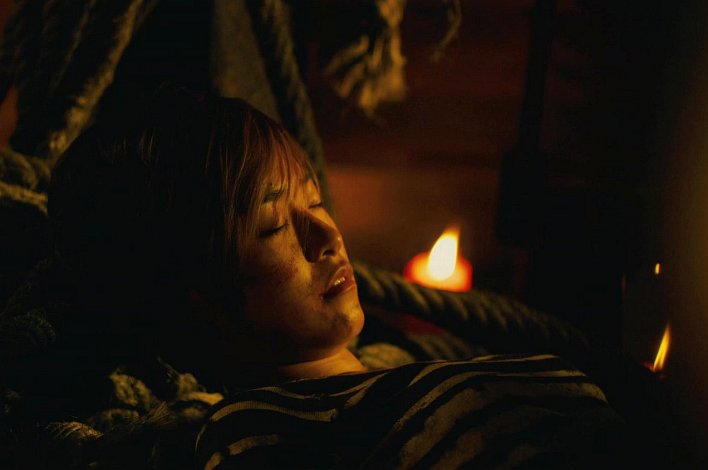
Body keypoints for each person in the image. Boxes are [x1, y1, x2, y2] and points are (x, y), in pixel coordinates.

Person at [47, 89, 624, 468]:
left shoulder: (407, 373)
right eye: (275, 227)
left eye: (315, 200)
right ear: (195, 298)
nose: (327, 235)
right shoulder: (251, 438)